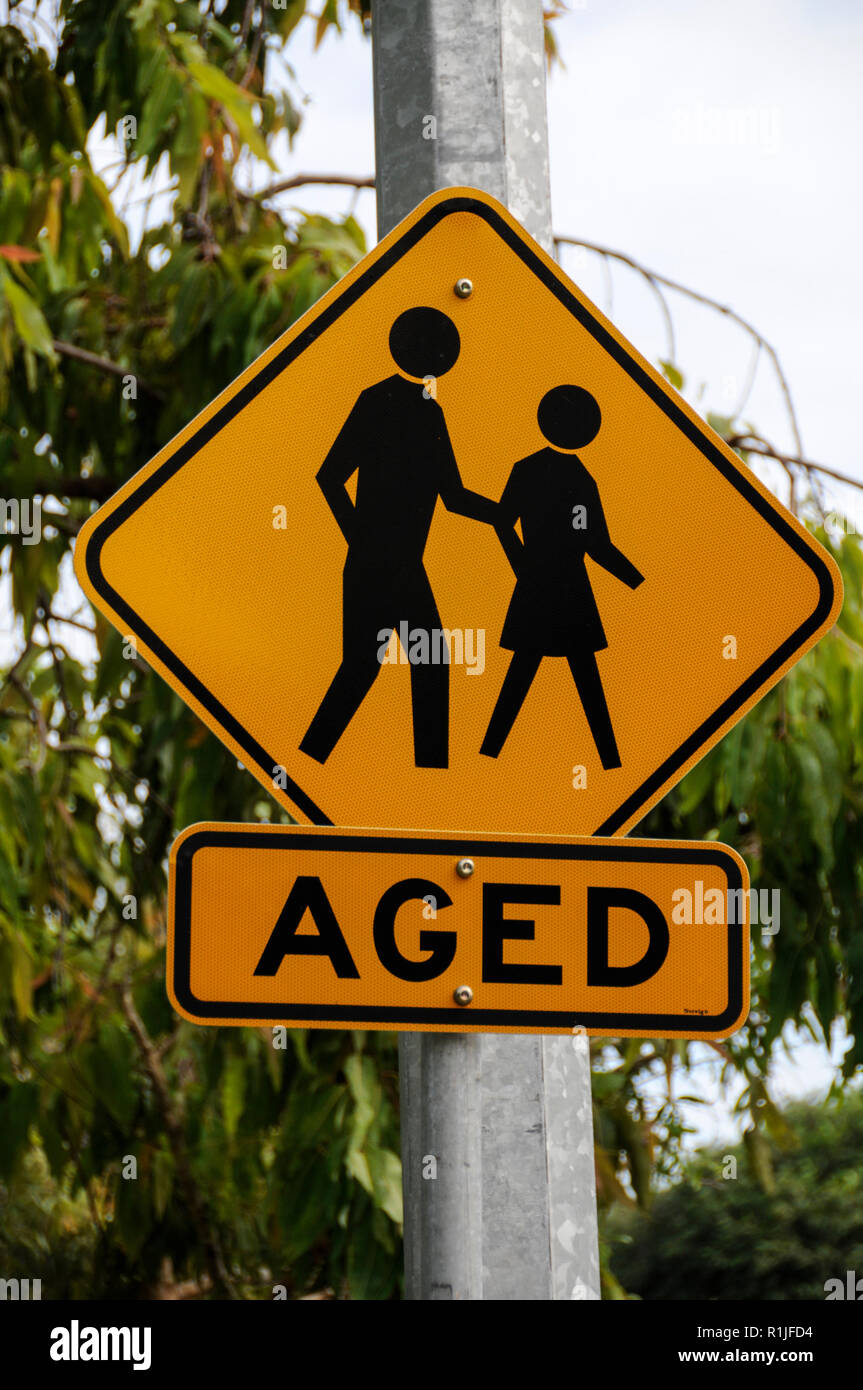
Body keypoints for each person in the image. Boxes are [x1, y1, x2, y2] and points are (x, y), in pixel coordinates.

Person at [300, 306, 497, 768]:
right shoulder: (402, 407)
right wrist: (362, 540)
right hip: (389, 565)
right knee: (403, 664)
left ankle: (323, 759)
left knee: (388, 665)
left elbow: (449, 495)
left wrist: (502, 514)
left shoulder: (410, 407)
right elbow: (330, 476)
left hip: (394, 564)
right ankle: (324, 760)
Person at [481, 384, 644, 769]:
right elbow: (597, 545)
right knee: (552, 674)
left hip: (550, 588)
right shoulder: (578, 479)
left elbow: (504, 524)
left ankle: (608, 764)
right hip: (564, 589)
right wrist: (637, 582)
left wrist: (523, 567)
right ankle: (607, 761)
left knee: (554, 672)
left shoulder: (539, 471)